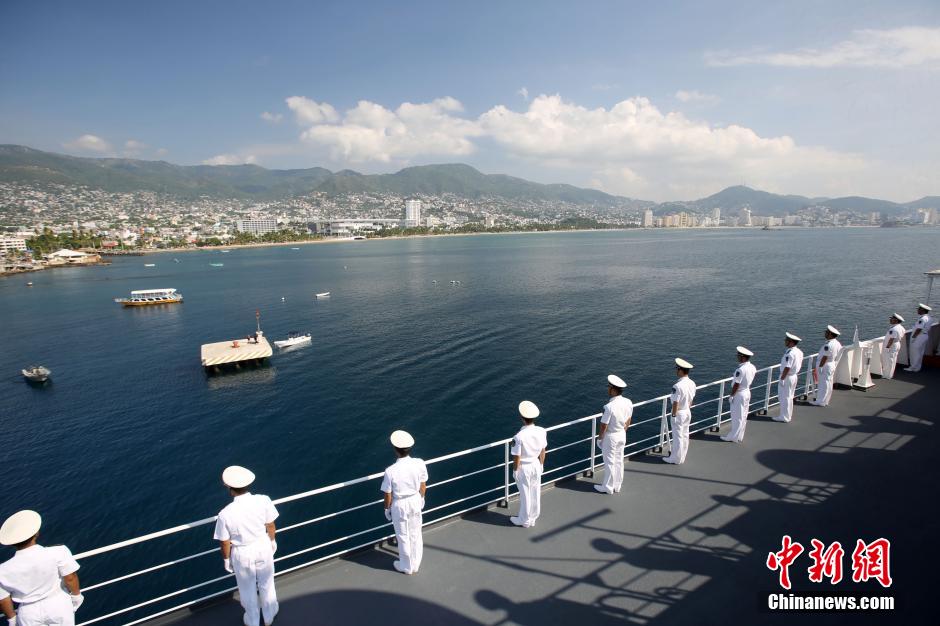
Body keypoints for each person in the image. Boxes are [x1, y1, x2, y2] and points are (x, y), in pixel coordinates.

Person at [213, 466, 279, 626]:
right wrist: (272, 540)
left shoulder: (225, 514)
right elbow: (270, 524)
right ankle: (269, 615)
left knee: (247, 588)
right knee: (267, 582)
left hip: (242, 553)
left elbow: (224, 541)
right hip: (263, 545)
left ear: (230, 488)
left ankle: (253, 620)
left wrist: (226, 559)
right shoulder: (263, 500)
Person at [0, 510, 83, 626]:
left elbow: (3, 599)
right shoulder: (58, 551)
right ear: (36, 533)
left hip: (28, 613)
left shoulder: (2, 570)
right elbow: (70, 577)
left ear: (11, 543)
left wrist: (12, 618)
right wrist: (76, 596)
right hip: (58, 604)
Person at [381, 430, 427, 575]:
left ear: (395, 450)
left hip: (399, 505)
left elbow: (388, 495)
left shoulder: (390, 471)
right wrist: (421, 498)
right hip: (415, 500)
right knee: (416, 533)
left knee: (403, 536)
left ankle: (406, 566)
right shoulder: (419, 463)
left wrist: (386, 509)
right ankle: (416, 563)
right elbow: (423, 485)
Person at [510, 401, 548, 526]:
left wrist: (515, 471)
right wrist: (541, 464)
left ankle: (524, 520)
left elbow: (517, 457)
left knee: (525, 493)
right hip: (536, 464)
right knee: (535, 491)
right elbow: (543, 450)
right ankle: (533, 517)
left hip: (524, 468)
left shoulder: (519, 437)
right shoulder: (542, 431)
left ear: (522, 418)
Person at [594, 375, 633, 494]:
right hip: (622, 434)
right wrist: (623, 430)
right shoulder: (628, 402)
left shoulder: (609, 407)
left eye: (609, 387)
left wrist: (600, 439)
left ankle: (608, 487)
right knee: (619, 460)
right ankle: (617, 485)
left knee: (609, 462)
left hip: (611, 437)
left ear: (613, 389)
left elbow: (603, 425)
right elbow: (629, 419)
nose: (608, 389)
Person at [664, 358, 696, 464]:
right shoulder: (692, 383)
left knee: (677, 437)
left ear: (681, 370)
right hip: (687, 411)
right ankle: (682, 457)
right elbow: (691, 400)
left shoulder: (677, 386)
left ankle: (675, 459)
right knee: (685, 435)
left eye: (677, 369)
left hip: (679, 413)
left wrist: (673, 415)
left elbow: (675, 403)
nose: (676, 371)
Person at [722, 347, 757, 442]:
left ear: (742, 357)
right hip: (747, 392)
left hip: (739, 394)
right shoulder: (752, 367)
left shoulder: (740, 370)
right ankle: (739, 436)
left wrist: (732, 395)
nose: (737, 357)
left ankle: (732, 437)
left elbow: (737, 384)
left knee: (736, 416)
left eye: (738, 355)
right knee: (743, 416)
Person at [773, 333, 804, 423]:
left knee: (784, 397)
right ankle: (787, 415)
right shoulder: (799, 352)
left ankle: (784, 417)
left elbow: (787, 367)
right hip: (793, 376)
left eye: (786, 340)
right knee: (789, 397)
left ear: (791, 342)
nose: (785, 341)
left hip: (787, 377)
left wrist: (782, 378)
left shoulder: (790, 354)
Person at [810, 325, 842, 407]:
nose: (825, 333)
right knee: (828, 383)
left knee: (823, 384)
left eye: (827, 332)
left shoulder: (829, 345)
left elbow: (825, 356)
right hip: (831, 364)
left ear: (830, 334)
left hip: (825, 365)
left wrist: (820, 367)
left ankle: (820, 401)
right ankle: (825, 400)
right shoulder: (837, 343)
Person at [904, 304, 933, 372]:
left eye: (919, 309)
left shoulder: (922, 319)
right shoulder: (929, 317)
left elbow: (919, 329)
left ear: (922, 310)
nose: (917, 310)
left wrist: (914, 337)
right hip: (924, 336)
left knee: (914, 352)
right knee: (920, 352)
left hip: (919, 336)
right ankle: (917, 367)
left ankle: (912, 367)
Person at [881, 313, 906, 379]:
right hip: (896, 344)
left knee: (888, 360)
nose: (890, 320)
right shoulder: (901, 327)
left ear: (896, 320)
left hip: (891, 346)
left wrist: (887, 347)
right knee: (892, 359)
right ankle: (889, 374)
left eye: (892, 319)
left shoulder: (894, 329)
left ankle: (887, 375)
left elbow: (891, 339)